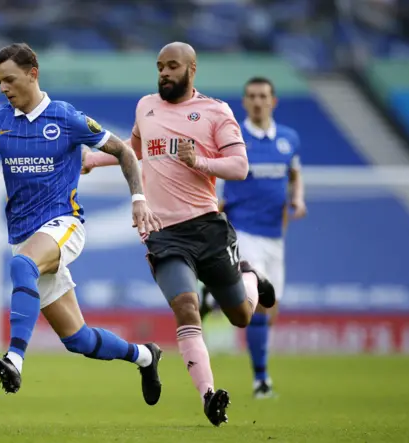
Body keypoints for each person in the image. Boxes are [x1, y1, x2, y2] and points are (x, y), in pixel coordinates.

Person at [0, 43, 164, 406]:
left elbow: (124, 151)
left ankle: (14, 360)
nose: (3, 88)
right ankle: (146, 356)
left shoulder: (65, 118)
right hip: (24, 236)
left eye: (9, 79)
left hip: (63, 224)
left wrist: (138, 198)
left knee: (21, 266)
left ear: (32, 74)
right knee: (78, 339)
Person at [81, 42, 276, 426]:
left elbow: (239, 166)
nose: (164, 73)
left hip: (207, 228)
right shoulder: (146, 106)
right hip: (163, 233)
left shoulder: (215, 112)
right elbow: (132, 150)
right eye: (160, 67)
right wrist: (92, 160)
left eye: (172, 66)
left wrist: (199, 161)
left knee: (240, 315)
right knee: (186, 307)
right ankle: (208, 396)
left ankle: (252, 277)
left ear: (192, 69)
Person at [200, 77, 306, 399]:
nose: (257, 101)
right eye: (251, 96)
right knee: (259, 306)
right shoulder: (234, 138)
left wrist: (298, 199)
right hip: (242, 232)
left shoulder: (289, 139)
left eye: (263, 96)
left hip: (275, 237)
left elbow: (295, 175)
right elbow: (215, 183)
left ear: (273, 101)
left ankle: (213, 296)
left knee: (269, 311)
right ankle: (262, 382)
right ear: (244, 102)